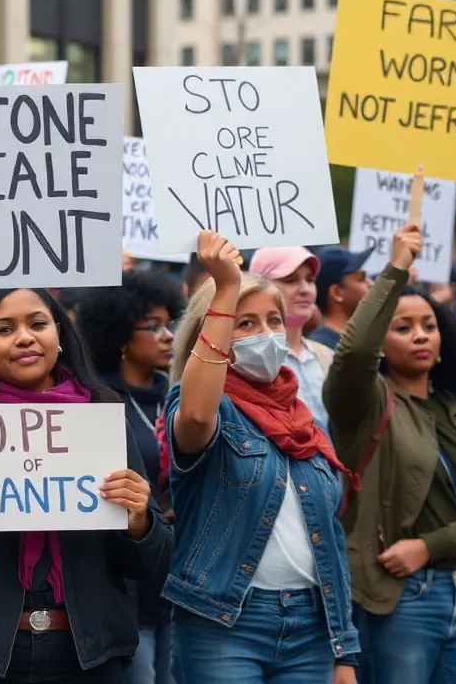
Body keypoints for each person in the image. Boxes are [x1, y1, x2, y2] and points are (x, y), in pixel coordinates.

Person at [0, 287, 174, 682]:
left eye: (38, 323)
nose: (25, 337)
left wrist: (139, 524)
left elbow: (155, 563)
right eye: (3, 329)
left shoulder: (104, 425)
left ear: (60, 335)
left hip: (88, 661)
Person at [162, 231, 360, 683]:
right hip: (225, 624)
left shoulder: (303, 420)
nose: (266, 333)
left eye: (274, 319)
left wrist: (344, 649)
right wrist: (226, 287)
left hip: (312, 628)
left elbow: (331, 536)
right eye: (245, 323)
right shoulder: (203, 409)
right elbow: (196, 412)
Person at [324, 224, 456, 684]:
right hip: (400, 598)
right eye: (403, 328)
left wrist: (428, 546)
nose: (420, 336)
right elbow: (351, 355)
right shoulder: (365, 406)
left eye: (430, 326)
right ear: (382, 347)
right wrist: (395, 272)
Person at [76, 270, 185, 684]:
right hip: (130, 584)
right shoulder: (96, 402)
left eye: (171, 323)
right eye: (153, 327)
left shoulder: (182, 396)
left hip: (182, 579)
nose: (168, 335)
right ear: (119, 336)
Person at [249, 246, 333, 429]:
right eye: (291, 280)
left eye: (310, 280)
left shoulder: (327, 356)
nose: (305, 289)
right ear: (260, 287)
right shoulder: (249, 361)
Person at [308, 245, 375, 349]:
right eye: (361, 279)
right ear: (337, 293)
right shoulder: (322, 347)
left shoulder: (361, 340)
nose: (371, 284)